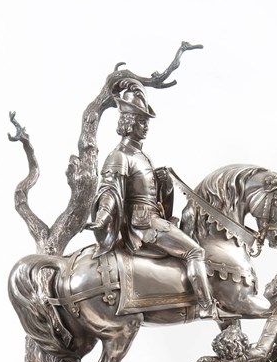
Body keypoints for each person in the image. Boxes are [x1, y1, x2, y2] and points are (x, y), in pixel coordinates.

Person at [88, 86, 219, 318]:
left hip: (154, 218)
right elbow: (109, 191)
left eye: (146, 121)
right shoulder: (120, 156)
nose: (145, 126)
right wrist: (102, 218)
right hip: (144, 225)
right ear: (128, 123)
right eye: (141, 121)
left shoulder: (141, 155)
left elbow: (147, 193)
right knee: (195, 252)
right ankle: (207, 306)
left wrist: (163, 183)